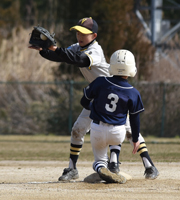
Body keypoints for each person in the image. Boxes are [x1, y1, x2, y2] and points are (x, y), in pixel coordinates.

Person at [29, 17, 159, 181]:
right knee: (77, 130)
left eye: (84, 33)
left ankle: (149, 166)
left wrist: (55, 48)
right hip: (97, 96)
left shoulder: (95, 51)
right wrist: (43, 50)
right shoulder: (78, 47)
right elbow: (63, 57)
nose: (80, 36)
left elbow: (79, 60)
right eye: (78, 32)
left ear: (94, 35)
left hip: (114, 93)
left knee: (129, 131)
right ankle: (72, 169)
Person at [80, 49, 144, 183]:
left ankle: (101, 167)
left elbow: (84, 101)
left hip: (97, 128)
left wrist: (93, 109)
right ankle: (114, 161)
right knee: (115, 140)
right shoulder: (133, 93)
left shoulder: (100, 82)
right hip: (117, 132)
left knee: (98, 161)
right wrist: (136, 138)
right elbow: (134, 119)